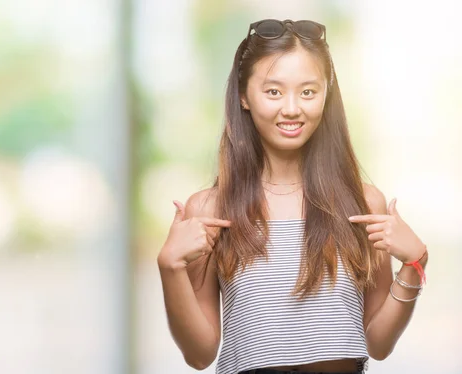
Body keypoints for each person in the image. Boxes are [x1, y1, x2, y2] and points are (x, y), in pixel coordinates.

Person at [156, 19, 428, 374]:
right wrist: (170, 267)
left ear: (325, 95)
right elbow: (200, 354)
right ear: (243, 96)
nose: (291, 108)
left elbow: (377, 343)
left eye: (308, 92)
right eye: (273, 92)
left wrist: (416, 262)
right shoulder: (210, 209)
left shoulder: (363, 204)